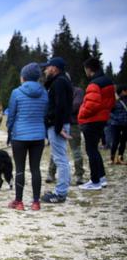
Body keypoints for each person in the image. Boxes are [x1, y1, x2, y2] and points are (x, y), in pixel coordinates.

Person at [6, 63, 49, 211]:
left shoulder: (16, 92)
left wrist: (9, 131)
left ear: (23, 77)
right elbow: (44, 113)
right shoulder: (44, 92)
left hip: (20, 135)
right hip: (38, 135)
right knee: (35, 168)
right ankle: (36, 202)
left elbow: (11, 116)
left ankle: (19, 202)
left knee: (19, 169)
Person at [78, 58, 116, 190]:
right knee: (95, 149)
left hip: (92, 120)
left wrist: (81, 114)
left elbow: (91, 105)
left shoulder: (94, 83)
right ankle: (101, 177)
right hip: (103, 119)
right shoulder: (108, 82)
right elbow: (111, 102)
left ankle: (95, 181)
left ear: (89, 69)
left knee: (91, 150)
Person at [40, 57, 73, 203]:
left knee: (60, 159)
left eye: (47, 67)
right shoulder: (62, 81)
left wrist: (58, 127)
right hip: (58, 124)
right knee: (60, 157)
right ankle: (62, 189)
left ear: (54, 68)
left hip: (57, 125)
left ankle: (60, 193)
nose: (45, 70)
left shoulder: (59, 82)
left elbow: (60, 106)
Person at [47, 85, 85, 185]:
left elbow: (76, 105)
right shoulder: (55, 90)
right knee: (55, 150)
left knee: (76, 151)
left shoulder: (78, 91)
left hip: (72, 124)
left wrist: (59, 109)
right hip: (58, 124)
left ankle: (79, 175)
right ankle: (51, 173)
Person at [109, 85, 127, 164]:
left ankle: (120, 157)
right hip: (115, 124)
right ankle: (112, 158)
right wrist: (116, 118)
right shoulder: (113, 99)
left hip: (125, 123)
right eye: (125, 90)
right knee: (115, 141)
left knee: (123, 141)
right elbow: (109, 111)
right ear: (121, 91)